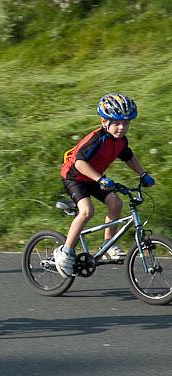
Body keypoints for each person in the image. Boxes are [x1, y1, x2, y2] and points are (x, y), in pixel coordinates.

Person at [54, 93, 155, 277]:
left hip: (94, 178)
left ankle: (107, 245)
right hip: (75, 177)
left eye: (126, 123)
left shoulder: (120, 141)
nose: (121, 127)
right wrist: (100, 179)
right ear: (103, 121)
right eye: (116, 123)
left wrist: (143, 174)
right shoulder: (96, 138)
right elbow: (79, 163)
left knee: (116, 203)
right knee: (86, 211)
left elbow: (129, 157)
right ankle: (65, 251)